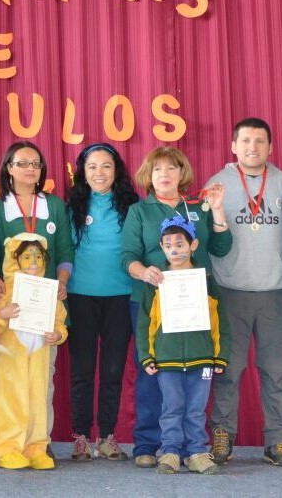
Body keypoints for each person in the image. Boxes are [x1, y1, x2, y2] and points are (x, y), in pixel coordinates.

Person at [121, 146, 231, 467]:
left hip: (197, 301)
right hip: (153, 300)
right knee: (152, 373)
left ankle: (191, 448)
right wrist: (145, 272)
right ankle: (147, 444)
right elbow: (127, 256)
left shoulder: (199, 206)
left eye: (171, 168)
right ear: (149, 176)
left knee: (195, 376)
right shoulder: (140, 211)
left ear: (182, 173)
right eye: (157, 170)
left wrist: (220, 210)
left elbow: (222, 247)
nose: (164, 175)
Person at [205, 118, 282, 467]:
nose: (252, 147)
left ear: (270, 147)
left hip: (277, 291)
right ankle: (222, 435)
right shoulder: (217, 184)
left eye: (260, 141)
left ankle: (278, 440)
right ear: (233, 146)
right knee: (228, 369)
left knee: (275, 369)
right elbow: (210, 239)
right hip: (231, 292)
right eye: (245, 141)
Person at [0, 142, 73, 449]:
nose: (30, 169)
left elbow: (65, 248)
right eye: (23, 163)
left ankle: (40, 438)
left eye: (36, 164)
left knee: (42, 377)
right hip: (10, 305)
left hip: (45, 303)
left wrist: (62, 280)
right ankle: (12, 441)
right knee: (11, 379)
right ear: (8, 168)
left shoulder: (54, 206)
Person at [64, 142, 139, 461]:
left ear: (117, 170)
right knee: (81, 370)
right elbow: (63, 251)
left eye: (106, 166)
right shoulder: (72, 206)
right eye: (92, 166)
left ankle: (107, 436)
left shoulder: (132, 205)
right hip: (80, 296)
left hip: (121, 297)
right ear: (83, 171)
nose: (99, 172)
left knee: (112, 370)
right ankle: (81, 436)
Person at [137, 216, 228, 475]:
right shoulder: (156, 283)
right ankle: (170, 452)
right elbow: (145, 323)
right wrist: (147, 355)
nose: (175, 250)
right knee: (172, 407)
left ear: (194, 245)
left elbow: (221, 321)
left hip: (202, 359)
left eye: (180, 244)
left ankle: (197, 452)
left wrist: (219, 356)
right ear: (161, 248)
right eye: (168, 245)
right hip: (168, 359)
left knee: (196, 409)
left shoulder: (207, 281)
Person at [0, 234, 67, 470]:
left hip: (39, 358)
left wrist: (58, 335)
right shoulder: (4, 291)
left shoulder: (49, 291)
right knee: (10, 400)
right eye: (26, 256)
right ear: (15, 260)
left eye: (38, 256)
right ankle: (7, 447)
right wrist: (2, 316)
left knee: (38, 401)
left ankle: (36, 447)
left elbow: (59, 322)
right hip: (12, 360)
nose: (34, 260)